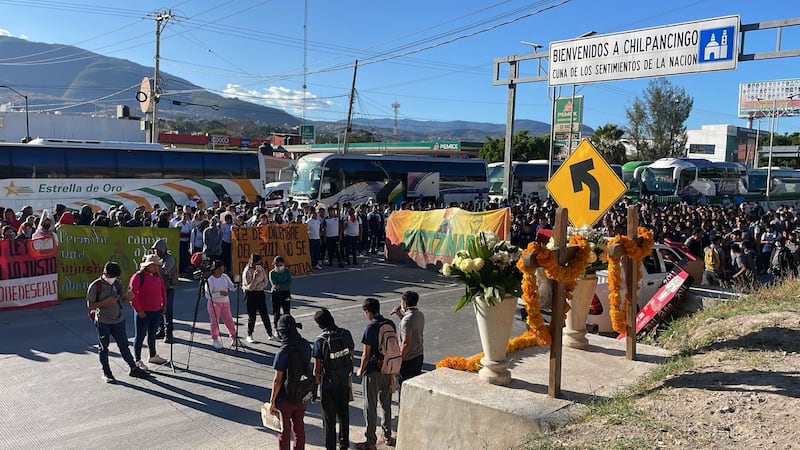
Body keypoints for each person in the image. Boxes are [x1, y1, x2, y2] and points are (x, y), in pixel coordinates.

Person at [86, 262, 150, 383]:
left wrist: (129, 297)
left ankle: (133, 368)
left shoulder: (117, 283)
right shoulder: (95, 286)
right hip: (103, 321)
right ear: (105, 274)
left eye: (115, 277)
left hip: (118, 320)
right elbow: (90, 305)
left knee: (124, 345)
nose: (113, 279)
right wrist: (106, 301)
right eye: (111, 277)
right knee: (103, 348)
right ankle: (107, 373)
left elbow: (123, 298)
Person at [356, 298, 396, 450]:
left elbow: (366, 354)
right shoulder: (390, 323)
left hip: (373, 371)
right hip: (388, 368)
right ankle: (387, 435)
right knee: (386, 404)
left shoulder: (370, 327)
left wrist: (360, 369)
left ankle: (370, 442)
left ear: (368, 312)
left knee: (370, 406)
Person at [312, 308, 355, 450]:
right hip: (343, 382)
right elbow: (351, 357)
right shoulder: (345, 334)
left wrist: (314, 389)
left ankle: (330, 446)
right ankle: (344, 444)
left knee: (329, 419)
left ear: (319, 324)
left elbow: (317, 369)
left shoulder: (319, 340)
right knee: (344, 415)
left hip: (327, 385)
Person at [269, 314, 312, 450]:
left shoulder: (282, 352)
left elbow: (277, 380)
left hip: (284, 398)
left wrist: (272, 401)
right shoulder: (305, 345)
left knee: (284, 431)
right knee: (299, 427)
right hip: (301, 394)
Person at [130, 254, 168, 371]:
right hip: (143, 312)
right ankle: (137, 360)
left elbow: (163, 290)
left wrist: (164, 305)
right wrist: (139, 310)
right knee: (140, 336)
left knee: (152, 334)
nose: (156, 267)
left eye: (157, 265)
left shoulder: (158, 276)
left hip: (156, 311)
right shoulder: (138, 277)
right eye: (153, 265)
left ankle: (153, 355)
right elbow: (132, 295)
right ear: (147, 266)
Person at [392, 290, 425, 383]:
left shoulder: (406, 320)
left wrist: (399, 359)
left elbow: (406, 343)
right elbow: (410, 325)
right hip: (419, 355)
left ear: (405, 303)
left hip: (408, 359)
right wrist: (400, 315)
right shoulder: (420, 314)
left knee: (403, 385)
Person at [204, 259, 238, 349]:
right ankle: (215, 339)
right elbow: (207, 295)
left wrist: (235, 286)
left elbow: (231, 287)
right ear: (214, 269)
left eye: (222, 269)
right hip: (214, 304)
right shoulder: (210, 280)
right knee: (215, 322)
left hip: (225, 302)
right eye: (219, 269)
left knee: (229, 320)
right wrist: (219, 293)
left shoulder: (225, 277)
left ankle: (234, 337)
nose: (221, 271)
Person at [241, 253, 273, 343]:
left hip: (260, 292)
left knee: (264, 314)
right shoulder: (247, 271)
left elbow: (265, 281)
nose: (259, 265)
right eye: (257, 263)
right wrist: (255, 279)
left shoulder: (260, 269)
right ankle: (249, 334)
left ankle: (270, 334)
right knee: (252, 316)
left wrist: (259, 286)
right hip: (250, 295)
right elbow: (250, 287)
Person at [151, 239, 178, 343]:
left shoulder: (169, 258)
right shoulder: (158, 258)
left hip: (169, 288)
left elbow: (165, 271)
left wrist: (153, 265)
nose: (156, 252)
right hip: (159, 287)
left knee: (168, 311)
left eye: (157, 250)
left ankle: (169, 334)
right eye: (155, 250)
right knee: (159, 310)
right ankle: (161, 330)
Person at [269, 256, 293, 332]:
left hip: (286, 293)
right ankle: (277, 328)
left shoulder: (287, 271)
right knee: (276, 312)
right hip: (276, 294)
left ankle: (289, 327)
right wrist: (282, 285)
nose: (279, 267)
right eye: (277, 265)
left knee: (287, 311)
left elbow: (288, 283)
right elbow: (274, 284)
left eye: (281, 265)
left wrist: (281, 286)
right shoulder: (272, 273)